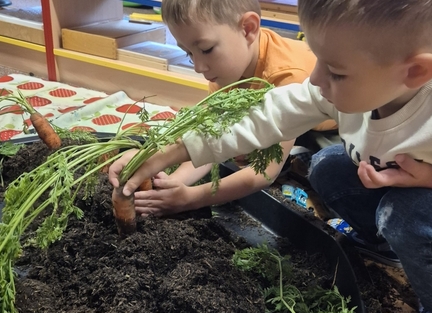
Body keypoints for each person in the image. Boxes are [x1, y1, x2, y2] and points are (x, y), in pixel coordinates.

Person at [110, 0, 432, 313]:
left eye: (336, 72)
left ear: (414, 72)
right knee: (327, 166)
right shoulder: (360, 72)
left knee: (406, 215)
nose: (316, 79)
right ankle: (388, 241)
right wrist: (171, 149)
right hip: (414, 183)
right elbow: (267, 115)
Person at [133, 0, 337, 219]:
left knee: (319, 164)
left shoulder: (287, 76)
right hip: (277, 119)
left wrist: (190, 198)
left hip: (329, 124)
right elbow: (212, 137)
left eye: (206, 50)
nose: (198, 67)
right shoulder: (225, 71)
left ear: (248, 29)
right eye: (188, 54)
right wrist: (176, 181)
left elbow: (264, 172)